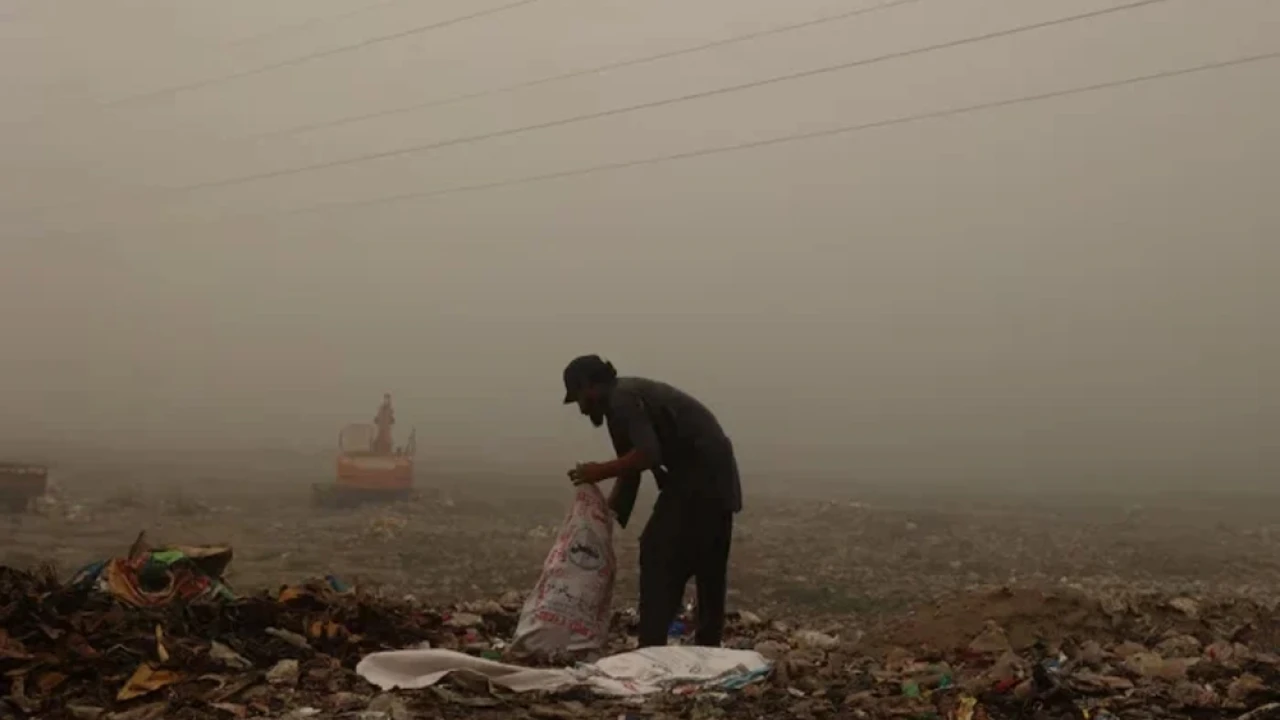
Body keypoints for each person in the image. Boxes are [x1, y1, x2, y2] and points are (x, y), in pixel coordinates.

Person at [562, 355, 742, 648]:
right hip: (714, 481)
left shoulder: (621, 399)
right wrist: (604, 520)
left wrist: (598, 471)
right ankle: (707, 650)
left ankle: (652, 648)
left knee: (659, 554)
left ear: (590, 387)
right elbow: (630, 471)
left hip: (700, 478)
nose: (582, 409)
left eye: (579, 398)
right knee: (708, 566)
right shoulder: (620, 403)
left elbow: (647, 455)